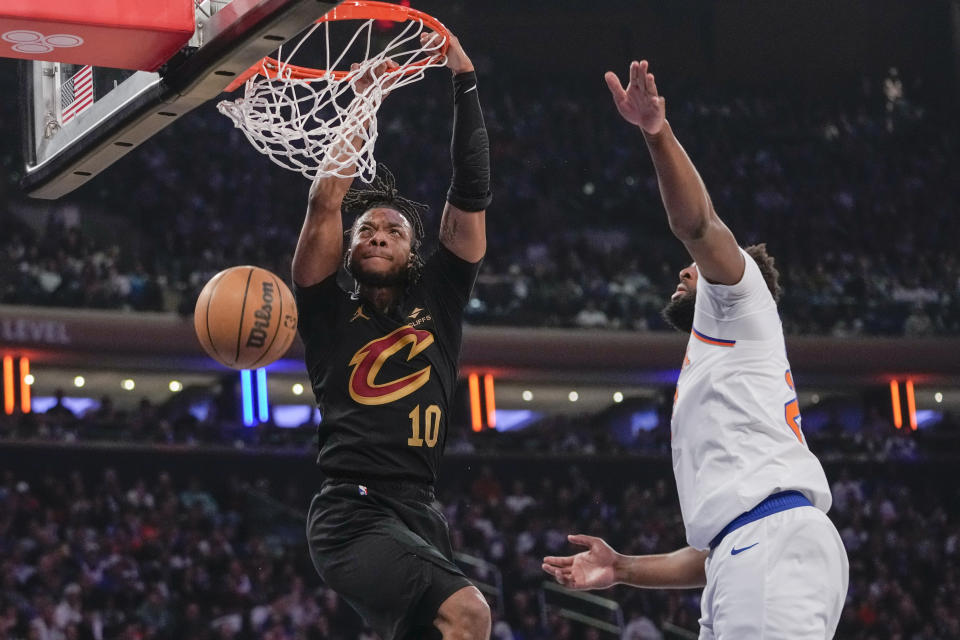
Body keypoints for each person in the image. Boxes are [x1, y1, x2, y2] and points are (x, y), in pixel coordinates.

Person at [542, 60, 849, 638]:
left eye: (700, 271)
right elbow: (711, 550)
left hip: (771, 547)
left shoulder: (744, 301)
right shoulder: (719, 359)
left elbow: (699, 224)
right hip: (747, 552)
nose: (685, 270)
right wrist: (623, 568)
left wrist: (656, 133)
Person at [291, 32, 492, 640]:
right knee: (470, 613)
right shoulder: (325, 309)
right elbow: (327, 201)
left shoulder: (441, 298)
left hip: (422, 511)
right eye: (368, 229)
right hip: (351, 511)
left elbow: (472, 193)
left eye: (394, 230)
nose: (377, 234)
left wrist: (466, 86)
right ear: (350, 250)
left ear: (415, 251)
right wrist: (368, 99)